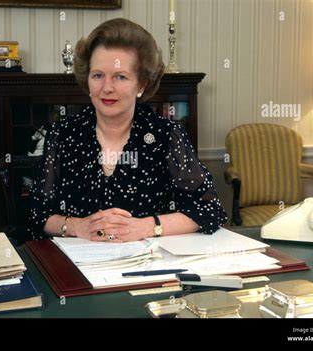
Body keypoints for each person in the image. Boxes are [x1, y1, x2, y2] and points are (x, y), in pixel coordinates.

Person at [28, 18, 227, 242]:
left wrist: (146, 227)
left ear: (141, 84)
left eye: (120, 76)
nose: (107, 88)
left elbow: (208, 209)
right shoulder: (63, 134)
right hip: (76, 266)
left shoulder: (165, 135)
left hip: (147, 266)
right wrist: (77, 226)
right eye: (98, 75)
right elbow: (38, 214)